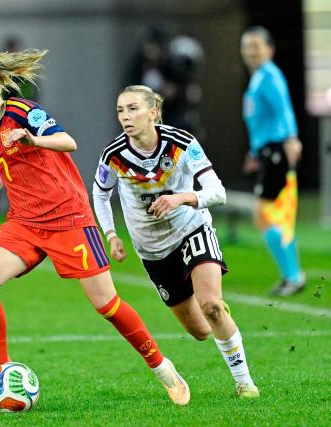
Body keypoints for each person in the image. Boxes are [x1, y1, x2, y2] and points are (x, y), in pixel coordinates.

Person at [0, 48, 190, 406]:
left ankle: (163, 368)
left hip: (69, 219)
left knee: (107, 305)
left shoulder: (25, 112)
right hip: (24, 221)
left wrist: (32, 139)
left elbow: (69, 142)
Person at [92, 84, 259, 398]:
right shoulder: (113, 155)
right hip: (153, 250)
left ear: (153, 112)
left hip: (191, 230)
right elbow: (100, 194)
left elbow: (217, 192)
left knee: (210, 306)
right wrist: (111, 234)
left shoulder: (182, 143)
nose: (125, 117)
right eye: (120, 110)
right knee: (199, 330)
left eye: (133, 109)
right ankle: (219, 316)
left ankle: (244, 383)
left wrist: (181, 198)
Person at [240, 26, 305, 296]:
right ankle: (291, 274)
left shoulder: (269, 76)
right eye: (247, 46)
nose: (251, 51)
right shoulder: (258, 79)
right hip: (267, 151)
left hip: (278, 149)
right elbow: (261, 121)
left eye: (257, 46)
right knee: (271, 215)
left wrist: (291, 139)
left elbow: (284, 109)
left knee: (266, 214)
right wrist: (255, 151)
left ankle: (293, 275)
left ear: (270, 49)